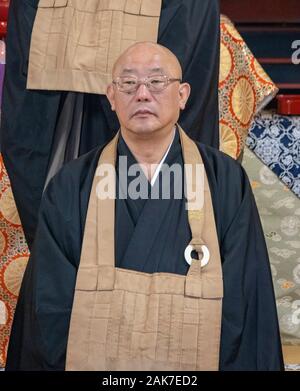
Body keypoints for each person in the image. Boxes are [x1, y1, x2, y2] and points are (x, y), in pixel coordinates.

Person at [6, 42, 284, 371]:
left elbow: (245, 300)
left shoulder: (225, 182)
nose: (142, 94)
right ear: (111, 96)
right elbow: (50, 308)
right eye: (128, 83)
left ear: (182, 95)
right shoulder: (70, 186)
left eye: (156, 81)